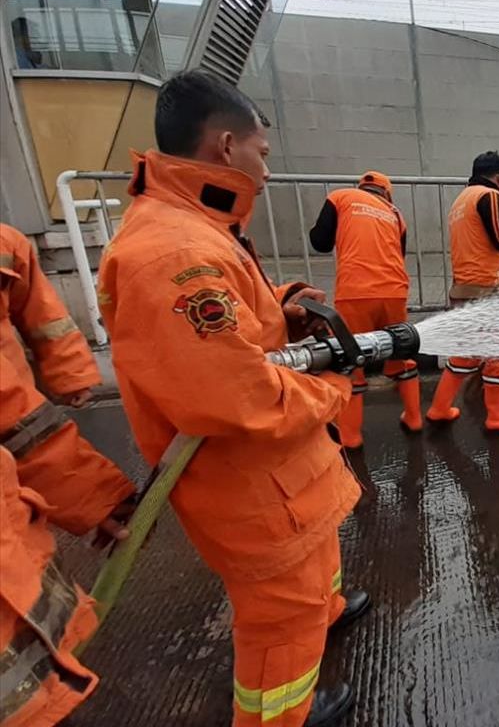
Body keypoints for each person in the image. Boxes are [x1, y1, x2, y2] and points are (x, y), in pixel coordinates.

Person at [97, 69, 370, 727]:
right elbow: (233, 396)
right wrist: (330, 386)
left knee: (314, 572)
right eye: (263, 154)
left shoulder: (197, 226)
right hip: (251, 486)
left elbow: (228, 334)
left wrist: (281, 310)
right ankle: (279, 716)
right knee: (282, 613)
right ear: (225, 146)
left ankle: (324, 613)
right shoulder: (173, 255)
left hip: (279, 478)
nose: (267, 171)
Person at [1, 226, 136, 727]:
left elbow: (41, 320)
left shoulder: (8, 244)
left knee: (41, 677)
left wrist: (71, 374)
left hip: (11, 528)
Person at [425, 151, 499, 433]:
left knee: (467, 354)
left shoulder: (461, 201)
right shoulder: (489, 197)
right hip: (486, 292)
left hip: (466, 290)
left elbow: (480, 246)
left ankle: (439, 408)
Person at [309, 171, 420, 449]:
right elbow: (399, 254)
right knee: (402, 355)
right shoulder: (395, 214)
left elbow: (320, 242)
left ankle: (351, 436)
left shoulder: (340, 197)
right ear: (387, 193)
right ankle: (414, 418)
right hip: (394, 291)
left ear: (362, 187)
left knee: (349, 362)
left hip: (355, 293)